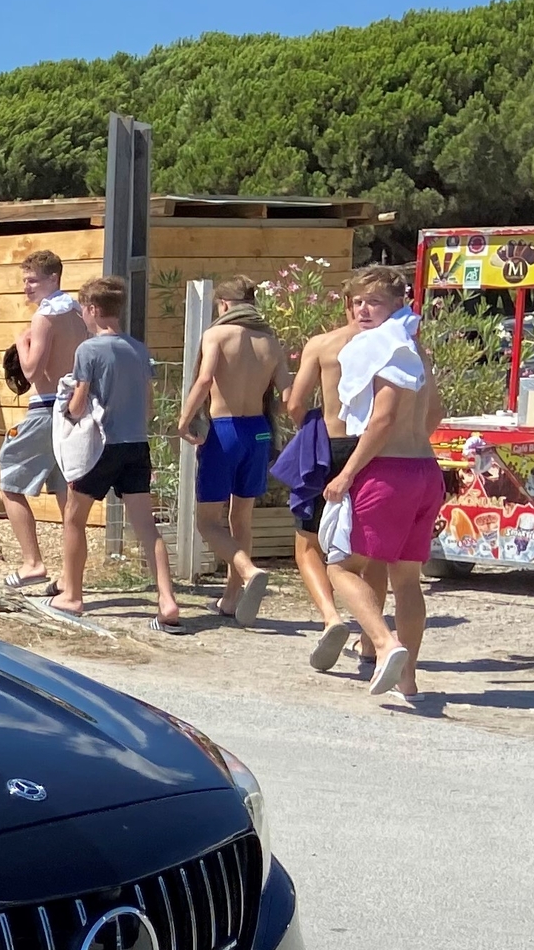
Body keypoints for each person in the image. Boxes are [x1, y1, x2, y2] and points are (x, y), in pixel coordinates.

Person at [322, 266, 444, 704]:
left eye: (373, 301)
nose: (362, 308)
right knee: (407, 579)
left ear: (396, 304)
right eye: (357, 300)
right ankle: (408, 680)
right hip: (424, 471)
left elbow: (382, 418)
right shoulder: (413, 346)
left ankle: (384, 642)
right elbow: (435, 411)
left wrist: (348, 472)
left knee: (339, 566)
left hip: (387, 471)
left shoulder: (386, 348)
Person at [57, 277, 181, 629]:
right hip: (136, 445)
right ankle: (168, 600)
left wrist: (68, 407)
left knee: (73, 518)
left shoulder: (88, 351)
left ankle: (73, 596)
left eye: (83, 308)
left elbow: (79, 406)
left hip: (100, 448)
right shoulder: (139, 349)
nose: (83, 315)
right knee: (146, 527)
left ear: (93, 309)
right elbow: (148, 405)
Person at [177, 277, 286, 626]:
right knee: (241, 519)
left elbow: (205, 379)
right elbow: (287, 393)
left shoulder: (217, 335)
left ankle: (249, 572)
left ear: (223, 305)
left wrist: (185, 418)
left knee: (208, 522)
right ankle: (231, 598)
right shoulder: (270, 341)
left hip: (224, 431)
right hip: (257, 431)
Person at [0, 250, 87, 594]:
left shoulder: (45, 317)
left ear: (53, 279)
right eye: (24, 281)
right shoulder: (79, 312)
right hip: (71, 412)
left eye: (32, 280)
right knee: (67, 496)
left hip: (45, 409)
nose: (26, 288)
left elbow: (32, 371)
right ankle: (69, 579)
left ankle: (32, 562)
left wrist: (22, 342)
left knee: (9, 480)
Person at [279, 300, 361, 666]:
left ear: (345, 305)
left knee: (308, 543)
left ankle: (330, 615)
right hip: (376, 447)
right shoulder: (394, 343)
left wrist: (310, 426)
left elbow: (295, 402)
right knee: (368, 546)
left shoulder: (324, 344)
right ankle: (372, 638)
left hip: (332, 443)